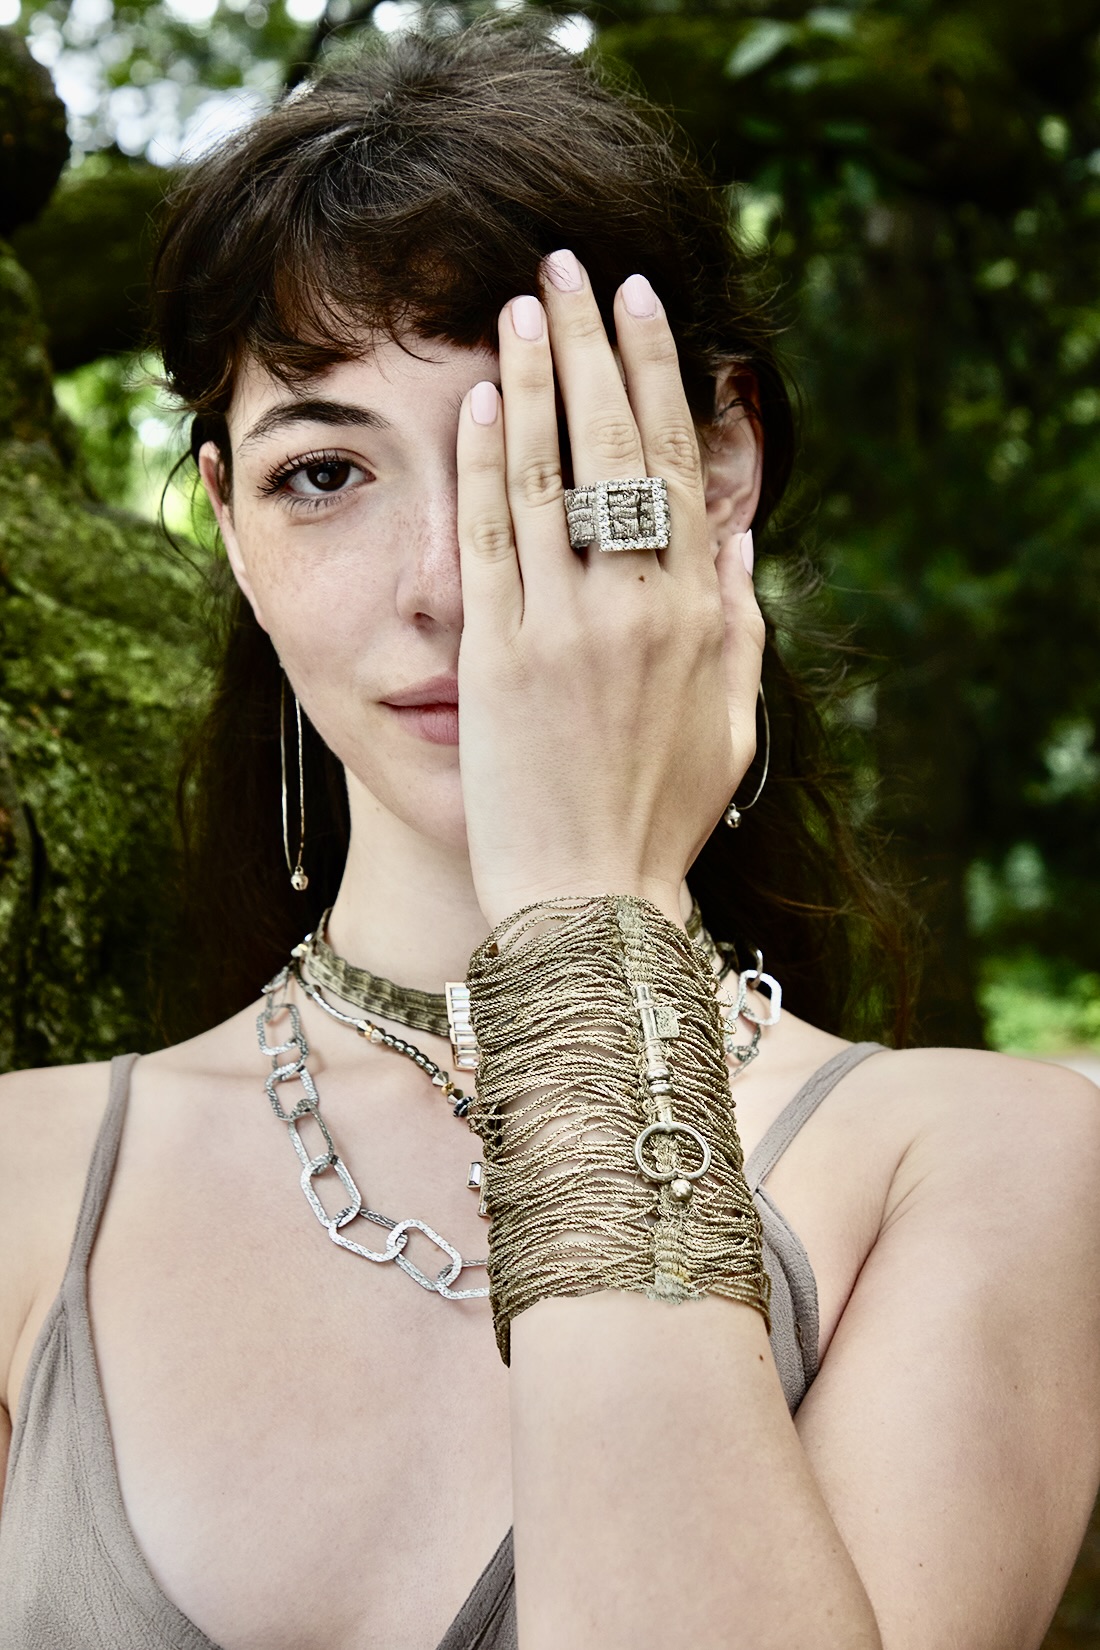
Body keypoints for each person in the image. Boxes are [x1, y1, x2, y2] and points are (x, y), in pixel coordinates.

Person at [1, 23, 1097, 1650]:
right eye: (326, 472)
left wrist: (589, 908)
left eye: (540, 449)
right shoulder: (20, 1184)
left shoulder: (994, 1163)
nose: (448, 580)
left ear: (716, 465)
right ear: (228, 522)